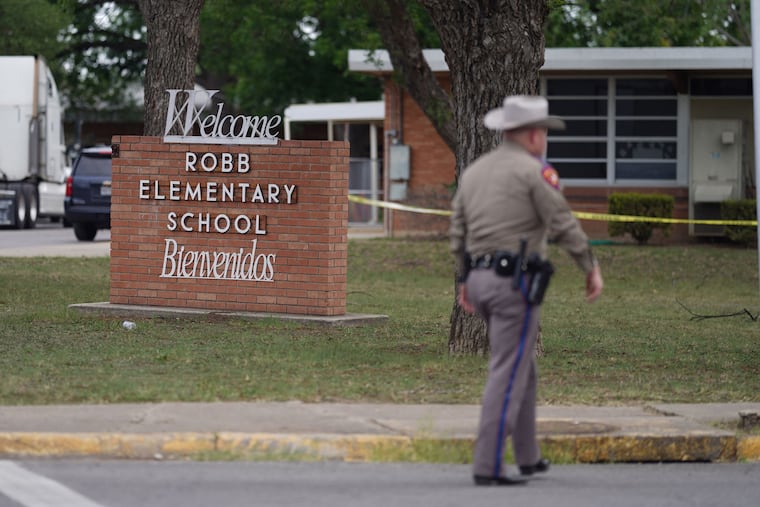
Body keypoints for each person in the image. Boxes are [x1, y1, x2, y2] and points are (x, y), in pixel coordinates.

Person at [449, 95, 604, 486]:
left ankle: (528, 456)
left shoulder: (475, 171)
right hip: (512, 285)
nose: (545, 139)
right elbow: (562, 222)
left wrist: (465, 279)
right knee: (507, 371)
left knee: (522, 367)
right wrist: (590, 266)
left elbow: (457, 232)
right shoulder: (534, 171)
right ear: (534, 134)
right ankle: (488, 465)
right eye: (545, 132)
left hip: (481, 281)